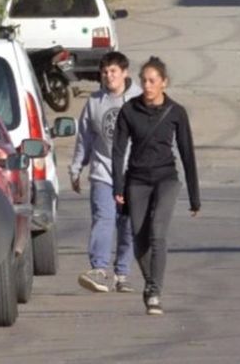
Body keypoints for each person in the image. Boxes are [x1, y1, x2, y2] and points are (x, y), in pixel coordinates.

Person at [111, 56, 200, 316]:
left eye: (152, 81)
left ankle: (154, 291)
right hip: (137, 180)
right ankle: (152, 283)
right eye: (143, 81)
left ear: (164, 83)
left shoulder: (176, 113)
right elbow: (118, 151)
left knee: (157, 231)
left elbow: (187, 153)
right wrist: (118, 186)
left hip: (166, 179)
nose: (147, 86)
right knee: (139, 239)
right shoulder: (129, 110)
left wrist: (195, 197)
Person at [70, 50, 142, 294]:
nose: (109, 76)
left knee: (128, 225)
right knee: (104, 218)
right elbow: (85, 137)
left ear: (124, 73)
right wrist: (76, 167)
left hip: (133, 174)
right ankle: (99, 270)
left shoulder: (138, 100)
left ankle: (122, 273)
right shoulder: (94, 102)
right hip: (103, 172)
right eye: (105, 72)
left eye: (113, 71)